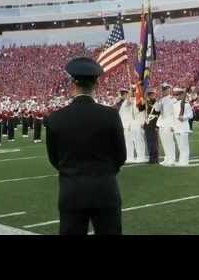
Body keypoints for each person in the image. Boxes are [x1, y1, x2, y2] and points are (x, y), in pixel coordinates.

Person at [44, 57, 126, 235]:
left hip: (71, 191)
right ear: (96, 82)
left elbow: (54, 159)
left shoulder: (56, 118)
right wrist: (104, 171)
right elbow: (121, 156)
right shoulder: (110, 115)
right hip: (105, 189)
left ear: (73, 83)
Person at [153, 83, 176, 167]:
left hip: (169, 123)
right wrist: (158, 100)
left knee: (170, 142)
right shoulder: (161, 100)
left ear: (169, 89)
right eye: (163, 89)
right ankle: (167, 158)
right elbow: (156, 109)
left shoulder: (172, 99)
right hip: (162, 123)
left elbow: (175, 113)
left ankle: (172, 159)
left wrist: (174, 125)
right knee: (164, 142)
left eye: (166, 89)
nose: (164, 91)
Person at [172, 88, 194, 166]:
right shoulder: (174, 104)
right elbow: (173, 117)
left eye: (177, 94)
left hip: (184, 127)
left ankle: (185, 161)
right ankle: (181, 160)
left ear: (182, 95)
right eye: (175, 94)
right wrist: (172, 126)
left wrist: (184, 117)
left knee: (184, 146)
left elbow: (191, 115)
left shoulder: (186, 104)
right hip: (176, 127)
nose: (176, 96)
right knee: (180, 146)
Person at [144, 89, 159, 164]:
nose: (151, 96)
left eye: (152, 94)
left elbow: (158, 115)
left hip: (154, 124)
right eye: (150, 95)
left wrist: (157, 126)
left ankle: (155, 158)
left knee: (154, 143)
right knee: (149, 142)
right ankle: (151, 158)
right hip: (147, 125)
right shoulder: (146, 103)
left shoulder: (157, 103)